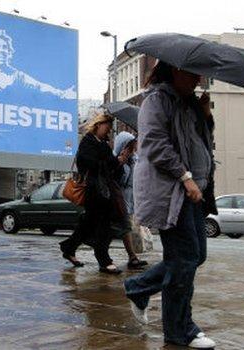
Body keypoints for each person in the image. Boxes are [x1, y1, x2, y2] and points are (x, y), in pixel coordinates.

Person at [123, 61, 218, 349]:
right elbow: (153, 144)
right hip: (172, 192)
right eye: (193, 72)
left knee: (194, 256)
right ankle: (180, 331)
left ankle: (138, 288)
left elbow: (201, 142)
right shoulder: (157, 100)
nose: (199, 77)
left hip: (194, 193)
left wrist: (205, 116)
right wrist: (185, 176)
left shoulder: (189, 103)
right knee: (184, 260)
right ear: (176, 70)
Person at [59, 113, 127, 274]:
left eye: (110, 127)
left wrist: (119, 161)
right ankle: (104, 260)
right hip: (93, 191)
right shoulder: (87, 142)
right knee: (103, 225)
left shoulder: (103, 144)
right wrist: (110, 160)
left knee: (89, 224)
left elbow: (110, 166)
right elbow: (88, 163)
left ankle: (69, 248)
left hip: (104, 191)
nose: (109, 130)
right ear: (98, 125)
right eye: (107, 126)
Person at [111, 131, 148, 269]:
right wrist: (121, 163)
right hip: (119, 198)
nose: (132, 148)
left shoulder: (135, 159)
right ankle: (132, 257)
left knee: (120, 228)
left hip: (131, 198)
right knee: (125, 227)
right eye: (129, 145)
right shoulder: (115, 159)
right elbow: (117, 180)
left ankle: (72, 247)